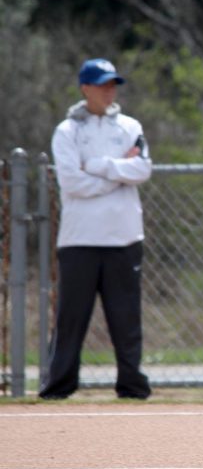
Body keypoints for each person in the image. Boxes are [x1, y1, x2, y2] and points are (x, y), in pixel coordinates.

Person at [39, 58, 153, 400]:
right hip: (80, 239)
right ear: (85, 88)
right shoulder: (67, 131)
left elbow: (142, 169)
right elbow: (72, 182)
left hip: (124, 237)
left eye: (112, 84)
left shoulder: (130, 126)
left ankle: (132, 385)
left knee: (126, 318)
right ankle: (59, 385)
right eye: (102, 85)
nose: (109, 91)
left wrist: (100, 166)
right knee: (71, 317)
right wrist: (117, 174)